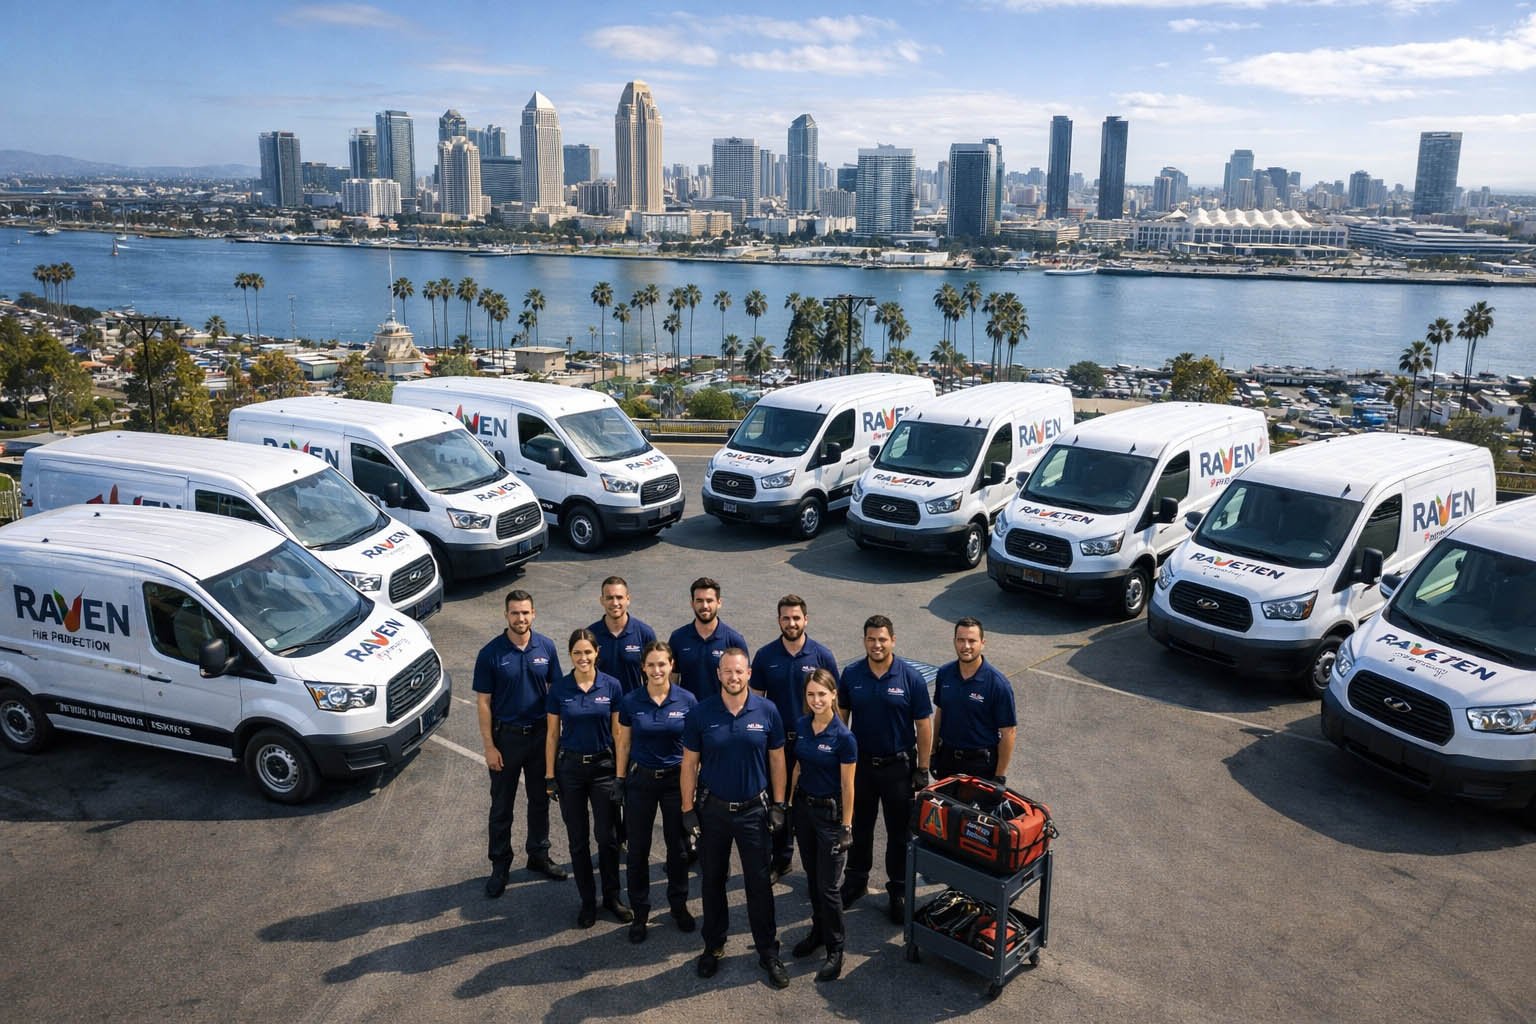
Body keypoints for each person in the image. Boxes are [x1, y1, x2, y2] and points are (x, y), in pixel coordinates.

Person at [680, 648, 790, 988]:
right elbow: (688, 764)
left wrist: (780, 804)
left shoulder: (768, 711)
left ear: (749, 673)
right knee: (712, 881)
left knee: (759, 885)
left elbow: (777, 761)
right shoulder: (701, 713)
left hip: (754, 812)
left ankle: (768, 952)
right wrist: (687, 810)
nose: (733, 677)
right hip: (713, 811)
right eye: (727, 672)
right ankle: (713, 946)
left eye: (739, 672)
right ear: (719, 674)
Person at [837, 614, 933, 926]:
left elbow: (923, 724)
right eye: (871, 639)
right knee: (859, 826)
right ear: (864, 640)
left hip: (898, 769)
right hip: (862, 765)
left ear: (893, 640)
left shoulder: (910, 678)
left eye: (882, 639)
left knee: (899, 833)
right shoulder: (852, 674)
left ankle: (899, 890)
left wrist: (923, 767)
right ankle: (856, 880)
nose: (876, 645)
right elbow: (841, 717)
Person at [474, 589, 568, 898]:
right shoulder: (491, 654)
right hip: (507, 738)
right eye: (515, 613)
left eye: (525, 612)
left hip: (541, 736)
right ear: (506, 615)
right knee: (502, 806)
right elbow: (484, 703)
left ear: (534, 613)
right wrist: (489, 746)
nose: (521, 618)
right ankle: (500, 865)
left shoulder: (547, 647)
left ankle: (538, 855)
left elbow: (556, 694)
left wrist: (558, 738)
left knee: (540, 800)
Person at [545, 628, 632, 928]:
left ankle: (612, 897)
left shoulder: (612, 686)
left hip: (603, 770)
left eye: (588, 652)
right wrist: (549, 776)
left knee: (607, 839)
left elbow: (619, 735)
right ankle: (587, 901)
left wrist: (620, 776)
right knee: (578, 841)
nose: (583, 658)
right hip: (570, 771)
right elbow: (553, 734)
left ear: (597, 653)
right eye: (577, 653)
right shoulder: (559, 689)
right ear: (570, 655)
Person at [613, 640, 698, 943]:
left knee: (678, 849)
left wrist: (695, 785)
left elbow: (694, 748)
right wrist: (620, 779)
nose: (657, 669)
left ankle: (678, 906)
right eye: (651, 664)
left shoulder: (688, 701)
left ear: (671, 665)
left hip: (676, 782)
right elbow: (623, 742)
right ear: (643, 668)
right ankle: (641, 912)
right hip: (641, 782)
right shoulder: (631, 701)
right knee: (637, 850)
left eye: (662, 663)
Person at [751, 594, 840, 881]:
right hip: (776, 745)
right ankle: (781, 859)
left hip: (811, 744)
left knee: (807, 800)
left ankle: (816, 862)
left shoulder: (821, 656)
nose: (791, 623)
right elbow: (756, 702)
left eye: (796, 618)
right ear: (779, 620)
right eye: (786, 618)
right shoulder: (765, 656)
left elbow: (834, 703)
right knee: (778, 800)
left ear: (806, 619)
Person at [787, 668, 857, 982]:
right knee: (813, 881)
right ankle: (817, 933)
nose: (817, 700)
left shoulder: (844, 738)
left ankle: (836, 948)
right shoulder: (802, 726)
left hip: (830, 819)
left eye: (822, 694)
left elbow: (848, 786)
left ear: (833, 696)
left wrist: (846, 827)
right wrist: (788, 805)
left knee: (829, 888)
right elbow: (798, 766)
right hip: (803, 811)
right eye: (811, 694)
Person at [932, 617, 1017, 783]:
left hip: (979, 766)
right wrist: (933, 752)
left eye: (972, 641)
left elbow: (1009, 732)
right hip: (947, 760)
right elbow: (940, 713)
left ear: (982, 643)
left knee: (973, 810)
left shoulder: (998, 683)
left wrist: (999, 776)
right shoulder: (944, 673)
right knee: (946, 809)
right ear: (954, 641)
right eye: (961, 640)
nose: (966, 646)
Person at [668, 576, 748, 701]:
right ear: (692, 603)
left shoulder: (734, 640)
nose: (704, 606)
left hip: (722, 715)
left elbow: (743, 684)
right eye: (699, 600)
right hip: (688, 714)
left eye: (709, 600)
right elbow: (672, 679)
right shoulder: (678, 638)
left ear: (719, 602)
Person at [589, 575, 656, 694]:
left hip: (633, 708)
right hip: (601, 707)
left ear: (628, 599)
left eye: (619, 597)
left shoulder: (644, 633)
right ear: (601, 600)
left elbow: (653, 677)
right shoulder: (590, 635)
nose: (615, 603)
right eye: (609, 598)